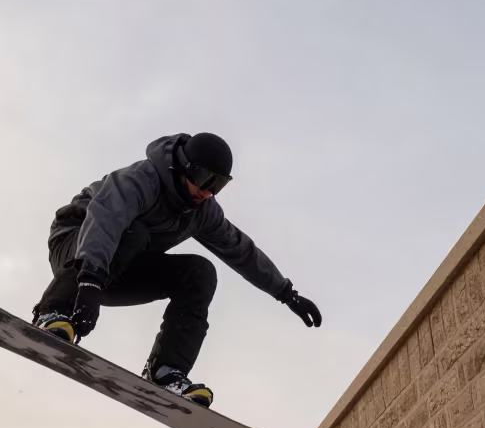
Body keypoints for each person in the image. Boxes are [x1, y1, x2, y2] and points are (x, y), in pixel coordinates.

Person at [32, 132, 321, 407]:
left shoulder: (203, 212)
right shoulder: (142, 179)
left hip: (117, 273)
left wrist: (286, 293)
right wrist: (90, 282)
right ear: (185, 167)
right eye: (204, 179)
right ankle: (51, 312)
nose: (207, 192)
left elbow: (241, 251)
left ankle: (166, 372)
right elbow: (104, 223)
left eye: (217, 185)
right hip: (76, 250)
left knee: (200, 271)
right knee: (134, 234)